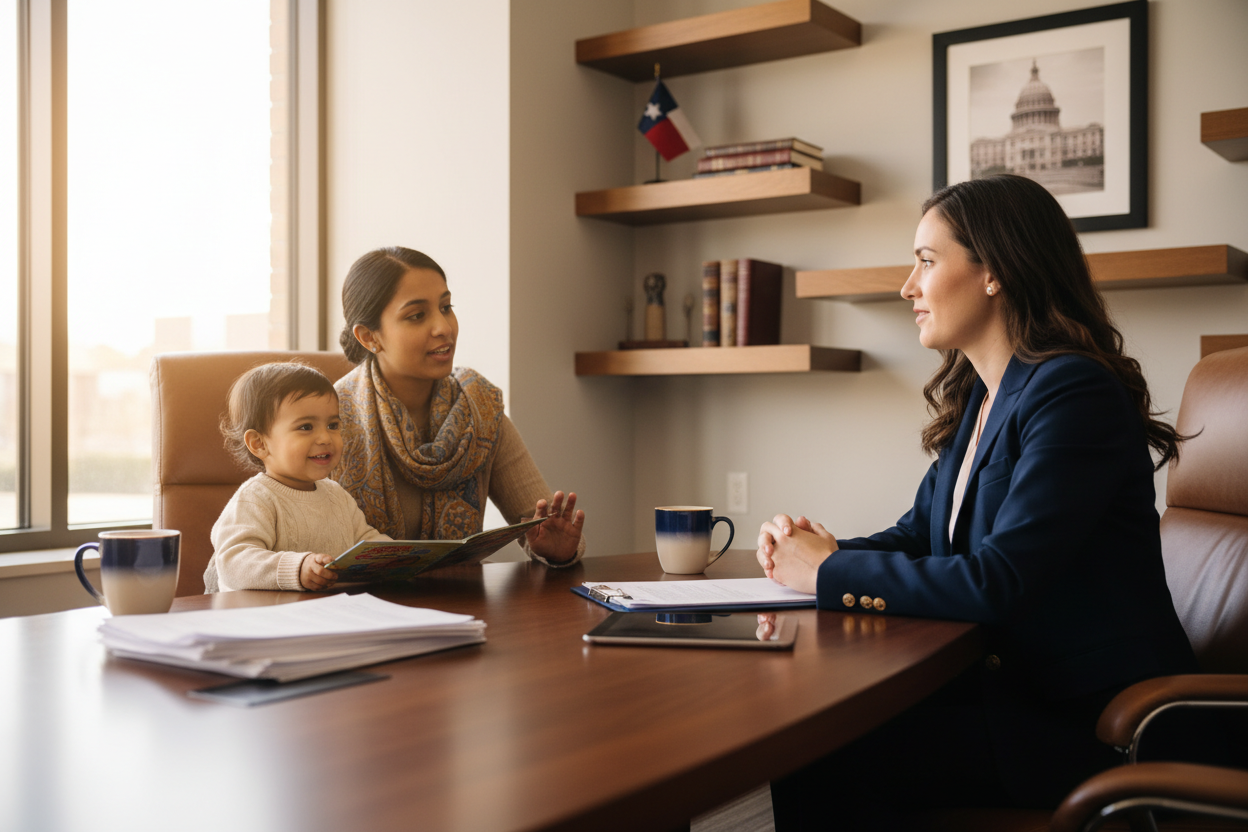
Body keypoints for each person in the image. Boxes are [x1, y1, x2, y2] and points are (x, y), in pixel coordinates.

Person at [756, 175, 1198, 830]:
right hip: (1012, 696)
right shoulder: (985, 400)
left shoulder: (1073, 391)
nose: (908, 287)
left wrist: (827, 573)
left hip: (1087, 724)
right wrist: (809, 556)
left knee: (820, 749)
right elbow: (919, 536)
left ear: (994, 270)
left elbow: (1001, 579)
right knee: (810, 732)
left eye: (926, 262)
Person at [332, 246, 585, 565]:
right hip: (358, 608)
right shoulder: (329, 418)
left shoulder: (477, 405)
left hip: (463, 606)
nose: (444, 327)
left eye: (446, 307)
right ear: (369, 337)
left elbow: (537, 520)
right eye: (417, 315)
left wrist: (559, 551)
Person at [205, 362, 390, 593]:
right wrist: (297, 568)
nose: (325, 438)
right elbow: (234, 562)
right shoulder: (256, 498)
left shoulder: (337, 495)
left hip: (325, 612)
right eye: (305, 427)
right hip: (263, 617)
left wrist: (395, 556)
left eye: (333, 425)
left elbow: (364, 541)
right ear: (259, 444)